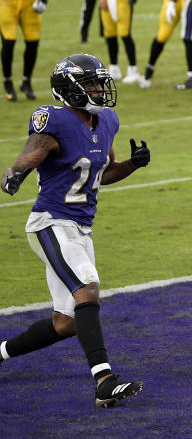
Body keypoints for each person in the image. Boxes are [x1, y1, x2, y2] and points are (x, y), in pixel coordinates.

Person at [0, 52, 150, 407]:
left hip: (81, 228)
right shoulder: (54, 121)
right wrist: (15, 175)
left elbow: (101, 174)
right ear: (70, 89)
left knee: (66, 322)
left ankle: (2, 352)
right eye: (92, 84)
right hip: (50, 222)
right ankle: (104, 379)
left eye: (100, 83)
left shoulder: (107, 120)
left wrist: (132, 165)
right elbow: (30, 155)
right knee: (87, 288)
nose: (99, 89)